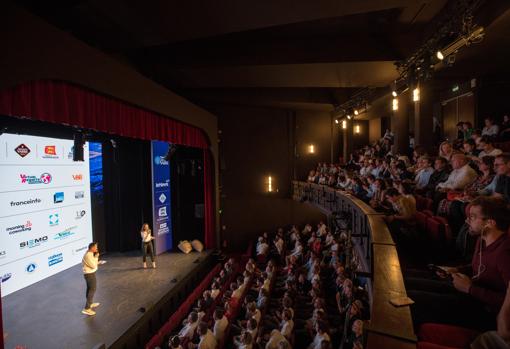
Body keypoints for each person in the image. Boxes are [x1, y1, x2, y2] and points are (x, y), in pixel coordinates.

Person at [82, 242, 102, 316]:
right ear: (92, 248)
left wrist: (96, 260)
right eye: (96, 247)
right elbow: (93, 266)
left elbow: (93, 263)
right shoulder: (88, 255)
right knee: (92, 289)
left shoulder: (90, 254)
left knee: (90, 289)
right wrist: (96, 257)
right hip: (89, 274)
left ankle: (90, 303)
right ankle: (87, 309)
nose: (97, 248)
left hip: (90, 274)